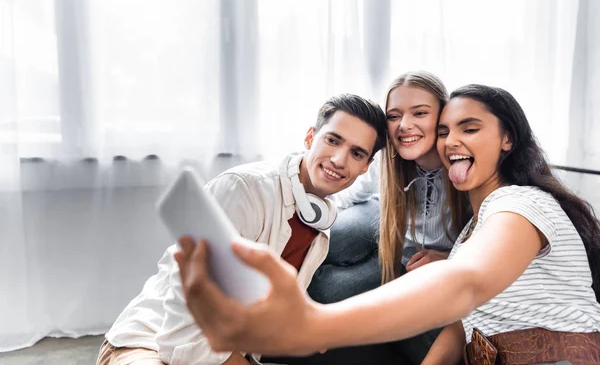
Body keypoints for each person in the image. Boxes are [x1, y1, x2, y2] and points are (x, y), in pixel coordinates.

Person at [175, 84, 600, 364]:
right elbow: (460, 321)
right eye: (447, 130)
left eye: (470, 128)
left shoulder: (520, 202)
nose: (452, 141)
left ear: (507, 139)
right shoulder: (477, 228)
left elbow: (466, 283)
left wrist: (314, 325)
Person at [96, 94, 387, 365]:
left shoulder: (320, 222)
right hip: (150, 345)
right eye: (333, 140)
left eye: (356, 153)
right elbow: (184, 325)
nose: (339, 160)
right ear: (310, 137)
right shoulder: (244, 189)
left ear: (366, 167)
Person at [273, 71, 469, 364]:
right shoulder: (389, 163)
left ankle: (284, 318)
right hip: (384, 218)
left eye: (420, 113)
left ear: (443, 116)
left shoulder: (462, 167)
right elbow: (348, 194)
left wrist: (450, 259)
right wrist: (305, 199)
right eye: (394, 115)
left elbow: (492, 244)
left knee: (326, 293)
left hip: (416, 261)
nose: (405, 125)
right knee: (330, 237)